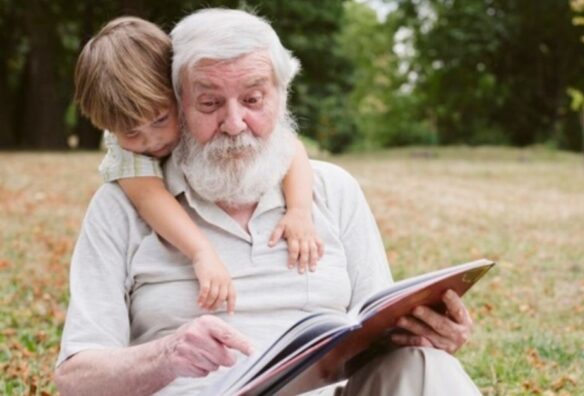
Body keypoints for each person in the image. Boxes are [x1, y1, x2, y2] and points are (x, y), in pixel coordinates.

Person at [54, 8, 480, 395]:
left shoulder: (332, 189)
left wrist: (426, 332)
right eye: (210, 103)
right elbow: (76, 380)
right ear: (178, 100)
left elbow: (378, 330)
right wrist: (166, 356)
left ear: (281, 97)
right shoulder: (122, 204)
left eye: (254, 99)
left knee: (426, 365)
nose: (235, 123)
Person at [73, 16, 324, 314]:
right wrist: (201, 252)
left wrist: (299, 210)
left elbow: (290, 148)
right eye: (131, 133)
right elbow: (150, 198)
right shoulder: (126, 155)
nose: (151, 141)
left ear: (176, 93)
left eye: (161, 120)